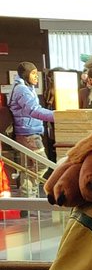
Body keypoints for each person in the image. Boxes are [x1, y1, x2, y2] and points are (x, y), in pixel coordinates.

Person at [8, 61, 54, 196]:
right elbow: (33, 110)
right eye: (33, 73)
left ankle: (27, 197)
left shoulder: (25, 88)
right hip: (28, 134)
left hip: (27, 132)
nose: (36, 76)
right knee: (42, 164)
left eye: (36, 73)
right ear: (25, 74)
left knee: (28, 167)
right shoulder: (22, 90)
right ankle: (29, 194)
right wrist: (56, 116)